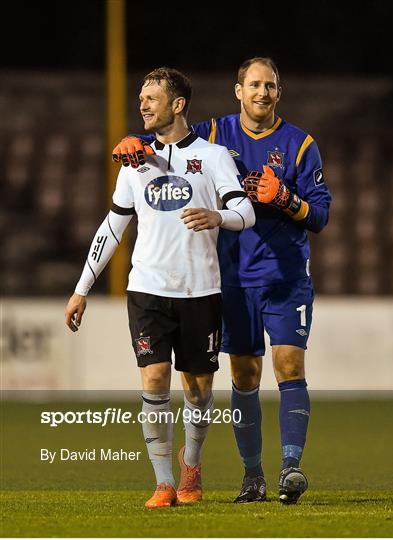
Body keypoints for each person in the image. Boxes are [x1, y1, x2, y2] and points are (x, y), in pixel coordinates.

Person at [110, 57, 332, 505]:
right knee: (244, 373)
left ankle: (291, 467)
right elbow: (173, 140)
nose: (262, 93)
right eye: (254, 85)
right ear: (238, 91)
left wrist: (286, 199)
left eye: (269, 86)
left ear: (278, 92)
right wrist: (136, 140)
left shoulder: (301, 144)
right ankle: (253, 476)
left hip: (285, 277)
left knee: (289, 365)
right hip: (231, 278)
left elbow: (321, 215)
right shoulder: (214, 135)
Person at [65, 67, 255, 509]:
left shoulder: (212, 157)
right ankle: (165, 482)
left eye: (152, 97)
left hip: (201, 290)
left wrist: (218, 217)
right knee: (154, 378)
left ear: (178, 104)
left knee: (198, 390)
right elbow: (112, 227)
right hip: (148, 289)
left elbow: (246, 212)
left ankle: (192, 465)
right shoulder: (134, 161)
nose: (143, 104)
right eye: (141, 98)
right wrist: (81, 289)